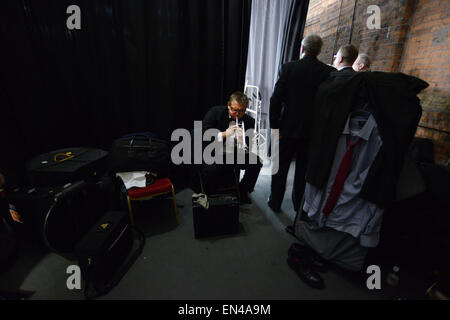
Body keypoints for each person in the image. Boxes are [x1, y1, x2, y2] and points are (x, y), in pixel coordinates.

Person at [268, 34, 335, 213]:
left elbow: (275, 101)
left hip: (286, 129)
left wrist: (275, 128)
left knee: (279, 168)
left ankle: (275, 202)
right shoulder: (328, 73)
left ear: (302, 49)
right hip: (311, 133)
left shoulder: (288, 68)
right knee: (303, 172)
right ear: (319, 51)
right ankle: (299, 206)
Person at [202, 92, 262, 204]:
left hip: (233, 154)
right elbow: (204, 135)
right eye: (235, 110)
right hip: (213, 152)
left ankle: (243, 191)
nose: (238, 114)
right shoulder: (215, 113)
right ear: (228, 105)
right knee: (212, 170)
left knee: (256, 163)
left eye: (242, 111)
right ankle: (213, 197)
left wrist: (240, 141)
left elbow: (246, 147)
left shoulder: (249, 121)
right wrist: (225, 134)